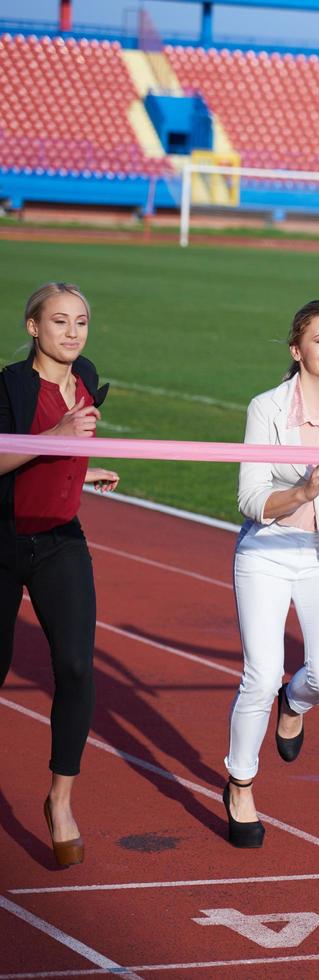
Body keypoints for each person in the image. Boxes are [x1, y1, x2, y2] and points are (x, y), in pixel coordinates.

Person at [222, 299, 319, 848]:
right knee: (260, 675)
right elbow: (249, 498)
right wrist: (302, 493)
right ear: (297, 350)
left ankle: (297, 703)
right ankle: (240, 784)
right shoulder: (265, 406)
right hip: (267, 552)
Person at [0, 282, 120, 868]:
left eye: (80, 322)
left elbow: (59, 452)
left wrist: (82, 469)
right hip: (1, 539)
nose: (71, 334)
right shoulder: (9, 384)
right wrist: (58, 440)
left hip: (60, 541)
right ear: (32, 328)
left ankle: (60, 800)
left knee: (75, 665)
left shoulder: (89, 375)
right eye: (59, 322)